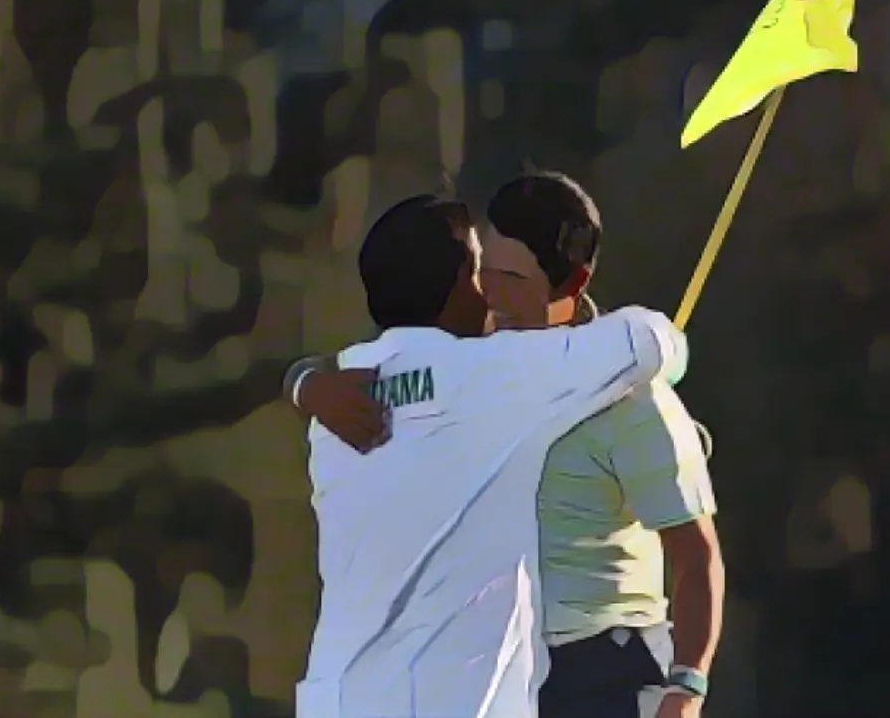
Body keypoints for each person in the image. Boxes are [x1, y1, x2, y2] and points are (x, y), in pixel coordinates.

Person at [293, 173, 725, 718]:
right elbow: (649, 339)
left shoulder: (340, 390)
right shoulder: (489, 376)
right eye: (481, 273)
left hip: (587, 675)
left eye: (507, 276)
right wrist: (673, 356)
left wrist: (301, 382)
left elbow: (694, 549)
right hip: (465, 689)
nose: (492, 292)